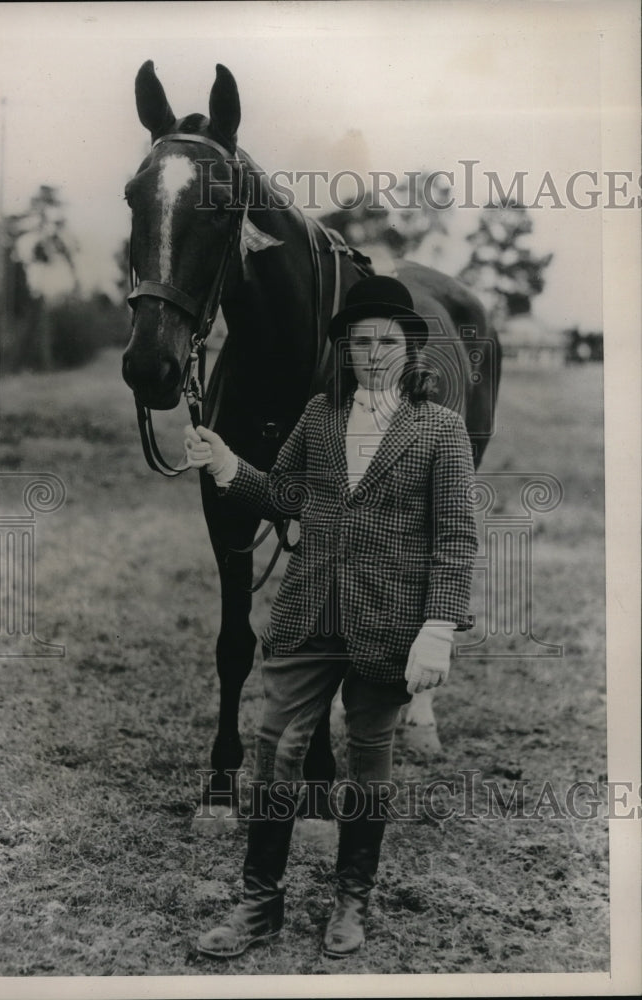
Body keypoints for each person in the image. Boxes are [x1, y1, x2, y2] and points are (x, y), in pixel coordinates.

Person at [184, 275, 478, 959]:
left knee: (368, 765)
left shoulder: (440, 430)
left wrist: (436, 629)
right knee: (275, 753)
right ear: (343, 351)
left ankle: (352, 901)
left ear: (409, 348)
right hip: (308, 611)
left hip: (390, 625)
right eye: (358, 342)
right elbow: (286, 494)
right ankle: (259, 906)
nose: (372, 353)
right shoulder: (318, 416)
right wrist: (229, 465)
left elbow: (456, 538)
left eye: (385, 341)